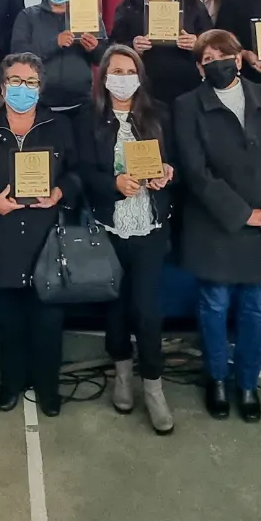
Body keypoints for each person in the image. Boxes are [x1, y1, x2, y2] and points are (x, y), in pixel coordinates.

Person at [174, 30, 261, 423]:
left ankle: (247, 382)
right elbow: (195, 173)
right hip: (217, 223)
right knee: (213, 304)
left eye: (224, 54)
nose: (218, 61)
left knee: (257, 307)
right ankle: (216, 377)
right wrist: (244, 214)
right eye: (208, 56)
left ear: (240, 58)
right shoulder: (185, 106)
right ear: (199, 66)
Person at [0, 52, 80, 416]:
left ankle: (47, 387)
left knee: (48, 320)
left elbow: (78, 173)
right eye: (15, 81)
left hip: (47, 240)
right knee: (8, 322)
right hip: (0, 237)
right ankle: (11, 382)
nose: (22, 89)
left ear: (40, 89)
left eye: (30, 82)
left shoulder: (58, 126)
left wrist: (60, 192)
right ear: (2, 86)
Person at [77, 45, 177, 433]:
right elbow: (82, 172)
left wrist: (167, 172)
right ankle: (121, 375)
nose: (121, 77)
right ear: (103, 77)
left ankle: (153, 386)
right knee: (116, 309)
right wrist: (113, 184)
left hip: (150, 226)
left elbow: (178, 163)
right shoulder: (90, 119)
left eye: (128, 70)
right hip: (109, 226)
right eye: (114, 70)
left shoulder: (160, 114)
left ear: (139, 75)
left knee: (147, 311)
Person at [109, 0, 213, 104]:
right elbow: (114, 45)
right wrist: (133, 47)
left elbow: (211, 39)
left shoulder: (190, 3)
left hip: (186, 86)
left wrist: (197, 43)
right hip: (143, 88)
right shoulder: (129, 5)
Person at [9, 0, 105, 112]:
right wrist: (55, 43)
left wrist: (94, 48)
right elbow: (17, 57)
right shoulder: (28, 16)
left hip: (81, 103)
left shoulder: (87, 15)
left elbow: (102, 58)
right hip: (40, 104)